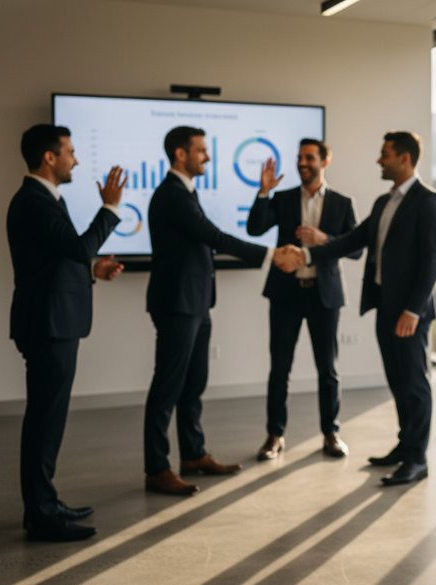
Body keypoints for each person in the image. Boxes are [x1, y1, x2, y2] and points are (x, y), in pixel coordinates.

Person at [275, 131, 436, 486]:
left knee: (415, 385)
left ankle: (417, 459)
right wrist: (305, 255)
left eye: (385, 154)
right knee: (398, 381)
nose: (379, 160)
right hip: (385, 307)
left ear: (405, 158)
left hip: (409, 314)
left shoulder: (428, 201)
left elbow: (432, 261)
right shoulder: (385, 202)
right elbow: (352, 242)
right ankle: (404, 445)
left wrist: (413, 311)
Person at [7, 124, 127, 541]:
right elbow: (76, 247)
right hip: (48, 324)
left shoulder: (42, 200)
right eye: (70, 152)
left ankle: (44, 504)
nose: (75, 159)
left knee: (48, 417)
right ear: (49, 158)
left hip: (52, 320)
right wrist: (109, 209)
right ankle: (41, 515)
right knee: (44, 419)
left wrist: (93, 270)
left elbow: (56, 259)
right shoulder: (34, 201)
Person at [144, 126, 270, 496]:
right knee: (167, 387)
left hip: (196, 302)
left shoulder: (184, 192)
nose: (207, 157)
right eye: (201, 150)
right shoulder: (172, 195)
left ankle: (193, 454)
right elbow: (213, 236)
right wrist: (268, 254)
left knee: (193, 384)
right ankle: (156, 468)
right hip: (177, 304)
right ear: (181, 154)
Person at [245, 138, 361, 461]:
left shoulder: (341, 202)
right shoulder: (281, 199)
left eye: (309, 157)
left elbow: (356, 249)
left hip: (325, 296)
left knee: (328, 369)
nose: (302, 162)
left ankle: (331, 433)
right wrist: (263, 191)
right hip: (286, 294)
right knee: (279, 368)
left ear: (325, 161)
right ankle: (274, 435)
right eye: (299, 157)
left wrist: (325, 240)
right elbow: (254, 228)